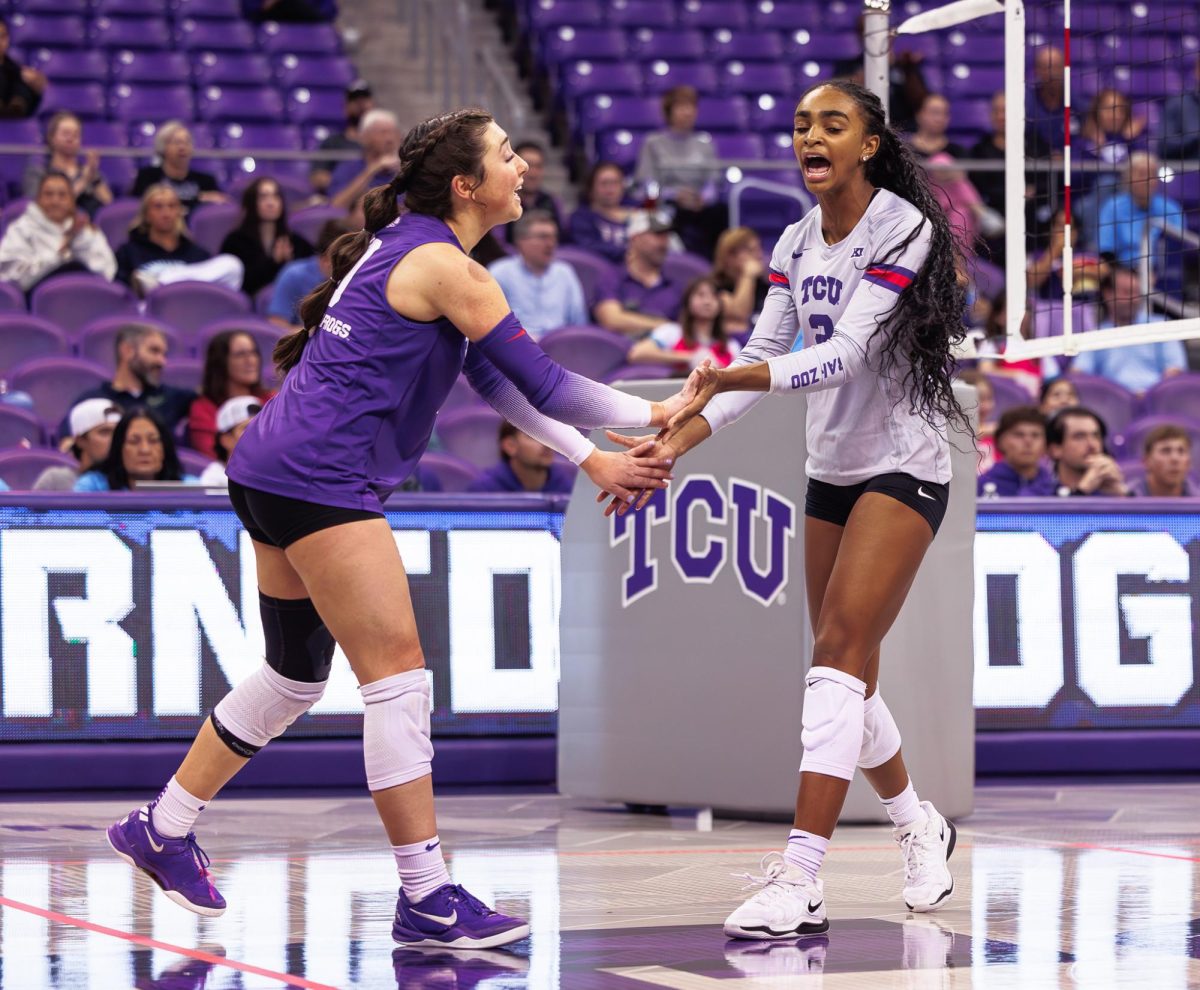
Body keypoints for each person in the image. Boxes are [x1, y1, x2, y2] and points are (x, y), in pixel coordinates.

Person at [106, 108, 686, 950]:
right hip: (321, 479)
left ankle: (164, 825)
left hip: (269, 467)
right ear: (466, 185)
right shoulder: (451, 268)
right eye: (506, 156)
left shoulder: (417, 247)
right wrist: (661, 408)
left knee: (296, 677)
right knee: (399, 682)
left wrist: (590, 461)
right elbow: (552, 386)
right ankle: (426, 893)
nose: (523, 166)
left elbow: (497, 384)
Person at [611, 79, 967, 940]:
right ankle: (920, 826)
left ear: (869, 144)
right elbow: (761, 360)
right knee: (849, 674)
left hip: (906, 467)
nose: (810, 136)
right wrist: (671, 446)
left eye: (831, 125)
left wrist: (736, 374)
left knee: (836, 658)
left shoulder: (903, 228)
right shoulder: (795, 240)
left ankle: (801, 876)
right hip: (831, 468)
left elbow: (842, 355)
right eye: (801, 123)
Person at [633, 86, 727, 257]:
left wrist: (703, 198)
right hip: (669, 205)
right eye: (682, 107)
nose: (688, 112)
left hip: (699, 207)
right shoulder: (653, 143)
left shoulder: (705, 143)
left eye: (691, 107)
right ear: (669, 111)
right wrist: (673, 194)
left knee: (721, 212)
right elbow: (647, 184)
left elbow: (712, 182)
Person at [59, 322, 197, 439]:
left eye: (164, 354)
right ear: (127, 351)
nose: (162, 362)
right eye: (154, 351)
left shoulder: (172, 397)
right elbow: (67, 442)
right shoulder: (92, 400)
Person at [1070, 266, 1186, 396]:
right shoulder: (1095, 335)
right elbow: (1077, 373)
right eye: (1127, 292)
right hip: (1111, 404)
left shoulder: (1161, 325)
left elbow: (1175, 371)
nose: (1134, 299)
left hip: (1156, 402)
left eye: (1136, 292)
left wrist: (1150, 396)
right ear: (1108, 294)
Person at [115, 184, 244, 294]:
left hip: (191, 310)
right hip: (148, 313)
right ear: (146, 215)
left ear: (179, 212)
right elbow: (120, 295)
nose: (166, 213)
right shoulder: (128, 252)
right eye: (158, 206)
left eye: (172, 206)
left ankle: (162, 282)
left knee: (232, 264)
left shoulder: (197, 254)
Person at [0, 172, 116, 292]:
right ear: (38, 199)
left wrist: (78, 239)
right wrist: (60, 255)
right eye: (48, 194)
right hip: (37, 299)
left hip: (86, 296)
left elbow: (106, 272)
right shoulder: (21, 229)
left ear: (72, 200)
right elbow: (11, 275)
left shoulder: (86, 230)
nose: (55, 201)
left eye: (62, 195)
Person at [488, 209, 586, 338]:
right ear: (521, 241)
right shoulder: (500, 272)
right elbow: (492, 326)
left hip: (560, 348)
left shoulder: (565, 272)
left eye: (554, 237)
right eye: (543, 237)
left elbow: (578, 323)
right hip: (516, 347)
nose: (550, 244)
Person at [592, 210, 683, 337]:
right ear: (635, 238)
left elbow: (685, 332)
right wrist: (664, 325)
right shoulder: (612, 277)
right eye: (657, 235)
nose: (664, 242)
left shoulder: (675, 287)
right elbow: (611, 320)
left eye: (666, 236)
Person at [219, 177, 314, 297]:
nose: (270, 203)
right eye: (263, 197)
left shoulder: (295, 241)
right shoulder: (235, 241)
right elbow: (240, 284)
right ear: (251, 203)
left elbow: (312, 272)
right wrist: (273, 263)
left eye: (275, 196)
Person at [188, 330, 276, 458]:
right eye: (240, 355)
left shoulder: (272, 400)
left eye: (254, 353)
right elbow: (212, 454)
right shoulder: (203, 409)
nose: (251, 361)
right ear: (221, 362)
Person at [1096, 153, 1187, 272]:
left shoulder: (1171, 209)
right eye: (1142, 174)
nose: (1147, 180)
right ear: (1127, 178)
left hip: (1161, 274)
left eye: (1152, 174)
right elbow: (1106, 251)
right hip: (1122, 272)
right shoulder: (1112, 207)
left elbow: (1179, 249)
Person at [628, 275, 739, 371]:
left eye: (714, 296)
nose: (707, 301)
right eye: (701, 295)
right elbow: (637, 354)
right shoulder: (671, 332)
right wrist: (690, 357)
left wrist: (719, 369)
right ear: (688, 301)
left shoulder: (731, 346)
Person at [74, 407, 197, 491]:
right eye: (133, 441)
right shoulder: (93, 487)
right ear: (119, 448)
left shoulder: (190, 488)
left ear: (165, 447)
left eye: (153, 440)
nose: (145, 450)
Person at [23, 112, 114, 217]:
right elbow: (40, 208)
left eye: (75, 135)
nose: (70, 139)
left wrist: (94, 177)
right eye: (65, 134)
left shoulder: (89, 172)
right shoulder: (39, 172)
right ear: (51, 137)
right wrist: (84, 181)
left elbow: (109, 206)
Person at [267, 219, 349, 330]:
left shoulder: (357, 279)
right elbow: (277, 325)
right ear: (325, 259)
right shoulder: (294, 275)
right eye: (343, 259)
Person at [132, 121, 227, 216]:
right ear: (163, 147)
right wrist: (198, 199)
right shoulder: (148, 177)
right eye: (176, 142)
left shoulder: (206, 181)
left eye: (187, 142)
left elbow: (221, 201)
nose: (182, 147)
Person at [33, 398, 122, 491]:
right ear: (80, 440)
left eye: (119, 432)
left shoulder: (132, 481)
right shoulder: (55, 480)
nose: (116, 439)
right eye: (105, 432)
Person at [467, 421, 575, 494]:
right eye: (533, 436)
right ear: (510, 446)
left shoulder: (567, 490)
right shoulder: (483, 492)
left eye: (549, 435)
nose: (547, 444)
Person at [1026, 209, 1106, 301]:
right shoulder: (1039, 254)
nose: (1064, 231)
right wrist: (1055, 251)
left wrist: (1074, 270)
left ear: (1076, 233)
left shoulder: (1084, 252)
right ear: (1051, 230)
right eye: (1060, 226)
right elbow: (1032, 281)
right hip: (1049, 308)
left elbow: (1105, 271)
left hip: (1084, 307)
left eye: (1069, 227)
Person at [310, 80, 374, 196]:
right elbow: (318, 178)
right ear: (346, 107)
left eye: (365, 99)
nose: (361, 104)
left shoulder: (380, 142)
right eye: (355, 100)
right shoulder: (332, 142)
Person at [1046, 405, 1128, 496]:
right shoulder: (1040, 492)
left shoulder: (1110, 491)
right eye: (1080, 436)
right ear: (1056, 450)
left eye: (1096, 436)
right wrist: (1082, 490)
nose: (1092, 445)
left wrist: (1124, 495)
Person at [328, 108, 401, 210]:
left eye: (393, 132)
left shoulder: (407, 170)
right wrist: (371, 170)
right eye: (382, 133)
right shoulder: (348, 168)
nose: (389, 139)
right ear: (364, 137)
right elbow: (335, 206)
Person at [977, 406, 1057, 496]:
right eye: (1019, 435)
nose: (1028, 442)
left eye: (1035, 435)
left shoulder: (1055, 487)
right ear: (1000, 441)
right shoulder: (979, 487)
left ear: (1046, 444)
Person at [567, 161, 632, 264]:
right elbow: (587, 248)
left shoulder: (637, 215)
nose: (610, 189)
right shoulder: (580, 218)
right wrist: (627, 252)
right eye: (604, 183)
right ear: (591, 188)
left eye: (615, 182)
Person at [500, 140, 562, 242]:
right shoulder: (502, 202)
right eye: (527, 166)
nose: (533, 173)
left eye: (538, 166)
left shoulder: (553, 202)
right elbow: (498, 245)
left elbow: (562, 241)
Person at [711, 227, 767, 336]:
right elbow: (740, 315)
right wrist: (748, 276)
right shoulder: (715, 287)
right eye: (752, 251)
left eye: (759, 249)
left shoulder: (763, 285)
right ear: (730, 257)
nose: (759, 255)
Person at [198, 395, 263, 487]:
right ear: (226, 440)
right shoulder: (213, 479)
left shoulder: (274, 471)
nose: (257, 432)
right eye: (246, 427)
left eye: (260, 425)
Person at [1130, 424, 1194, 497]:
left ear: (1188, 462)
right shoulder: (1127, 498)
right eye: (1166, 451)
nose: (1175, 458)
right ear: (1146, 462)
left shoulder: (1197, 499)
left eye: (1181, 451)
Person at [0, 17, 45, 119]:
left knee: (25, 81)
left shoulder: (16, 70)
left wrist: (38, 88)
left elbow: (33, 108)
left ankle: (17, 105)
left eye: (3, 36)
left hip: (13, 122)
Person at [955, 368, 996, 474]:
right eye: (980, 399)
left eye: (989, 398)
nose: (986, 406)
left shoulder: (994, 435)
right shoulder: (952, 432)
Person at [1158, 57, 1200, 161]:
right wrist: (1195, 139)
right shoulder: (1178, 103)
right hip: (1187, 172)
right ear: (1197, 71)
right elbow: (1163, 146)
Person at [906, 94, 967, 161]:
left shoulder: (957, 151)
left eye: (945, 113)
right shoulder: (905, 149)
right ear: (918, 115)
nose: (940, 119)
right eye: (935, 112)